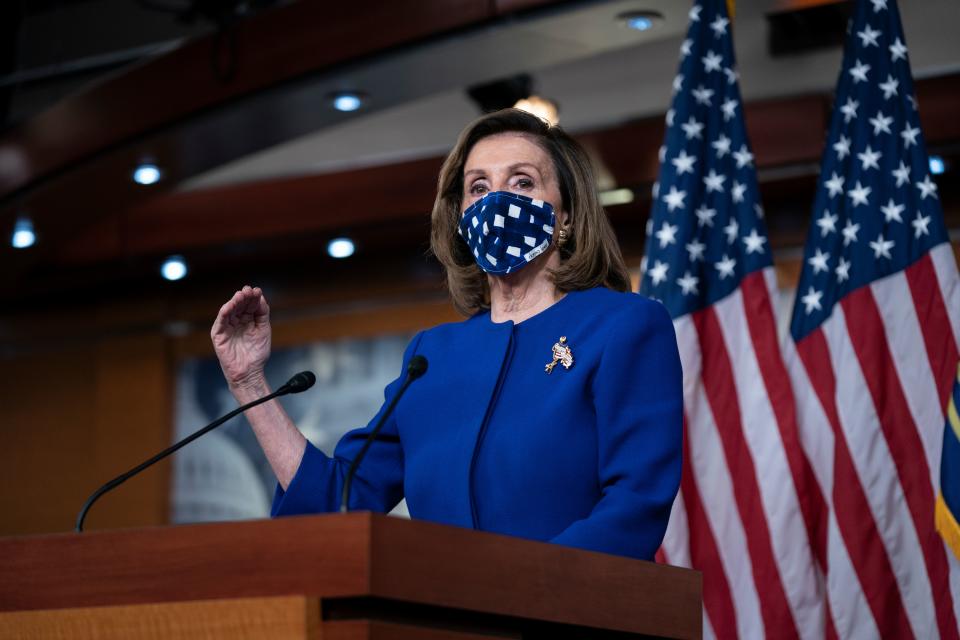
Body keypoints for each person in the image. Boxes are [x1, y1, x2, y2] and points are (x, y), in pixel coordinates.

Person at [211, 109, 683, 560]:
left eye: (522, 182)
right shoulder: (433, 356)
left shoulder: (623, 326)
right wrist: (250, 383)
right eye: (479, 187)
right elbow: (337, 500)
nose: (498, 201)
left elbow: (634, 504)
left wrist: (520, 591)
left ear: (567, 215)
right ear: (460, 219)